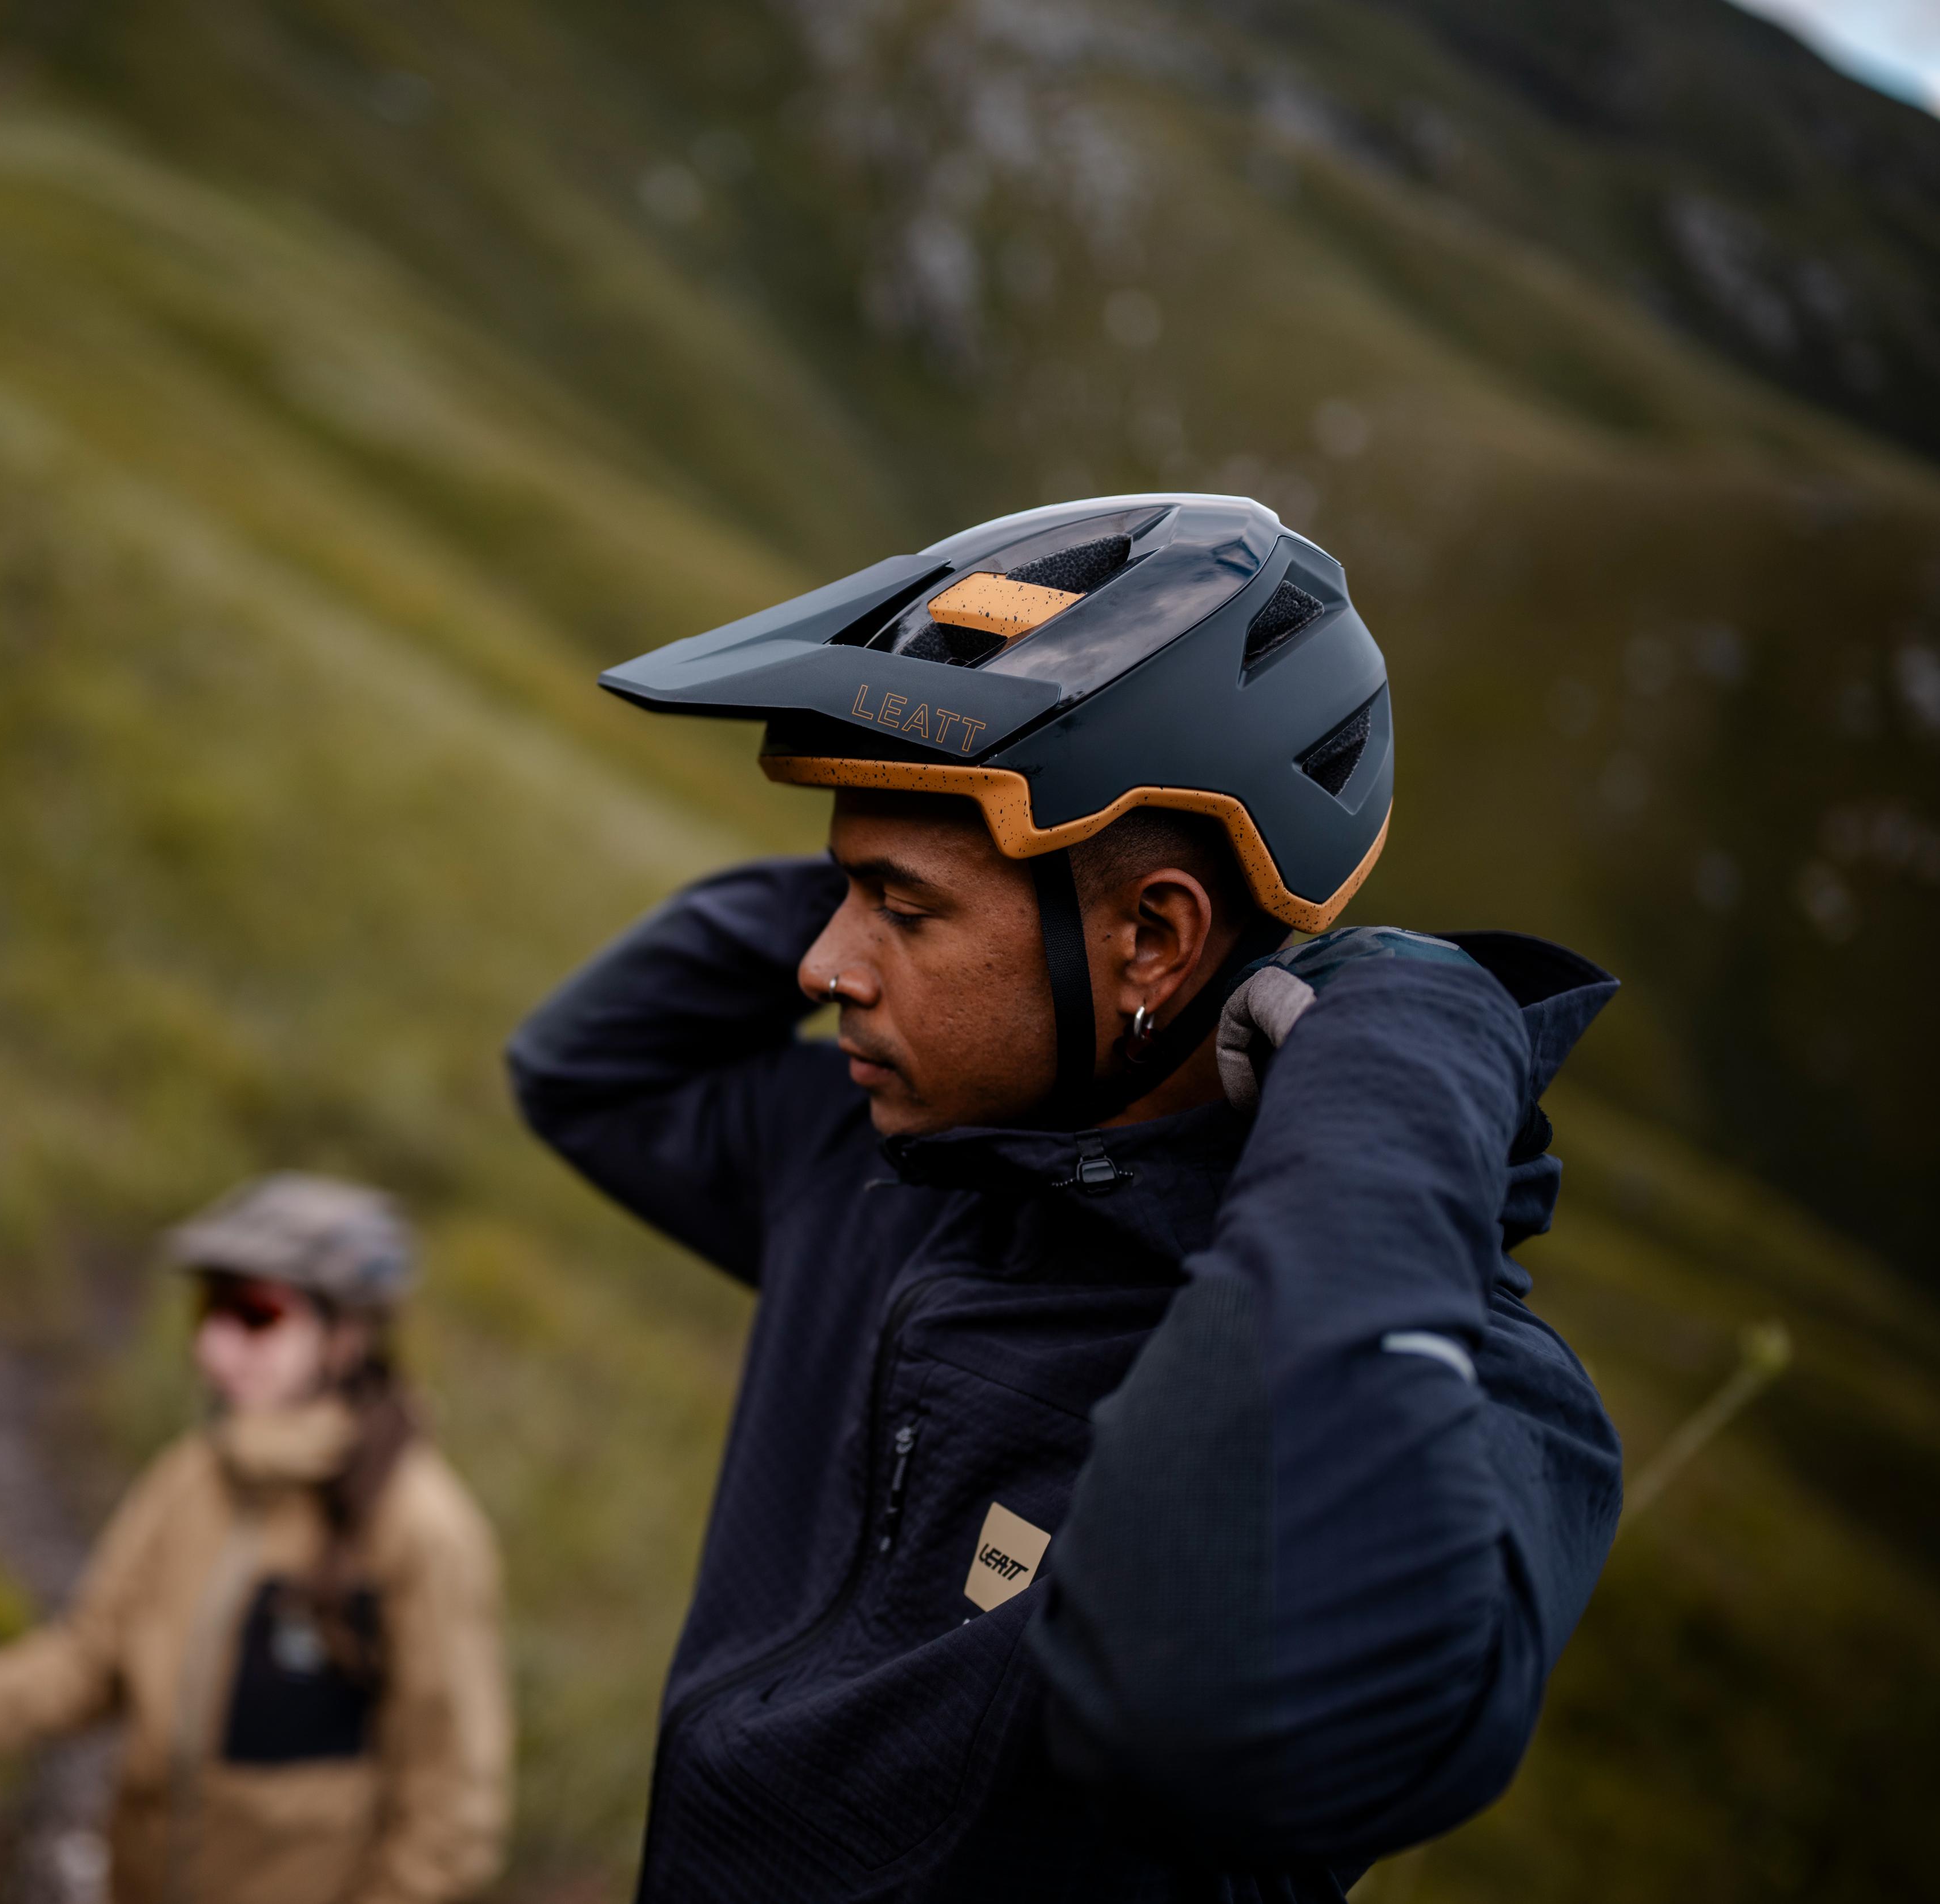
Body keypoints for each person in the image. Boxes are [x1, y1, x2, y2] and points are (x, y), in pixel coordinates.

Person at [508, 495, 1623, 1900]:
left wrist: (1404, 1047)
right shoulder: (891, 1170)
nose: (822, 965)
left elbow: (1221, 1708)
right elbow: (588, 1069)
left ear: (1153, 938)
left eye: (900, 909)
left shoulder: (1478, 1391)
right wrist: (915, 829)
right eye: (843, 893)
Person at [0, 1174, 511, 1904]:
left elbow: (452, 1816)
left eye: (257, 1315)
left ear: (347, 1337)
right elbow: (84, 1664)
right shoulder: (192, 1479)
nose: (214, 1345)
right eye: (209, 1309)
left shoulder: (423, 1531)